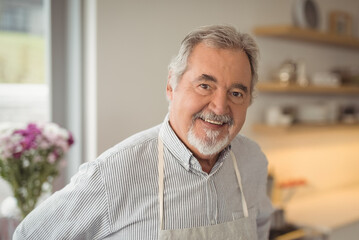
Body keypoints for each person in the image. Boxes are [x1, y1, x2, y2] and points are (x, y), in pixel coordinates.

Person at [13, 25, 272, 240]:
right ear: (171, 86)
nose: (219, 106)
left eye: (236, 93)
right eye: (205, 85)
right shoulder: (111, 174)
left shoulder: (253, 160)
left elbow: (261, 228)